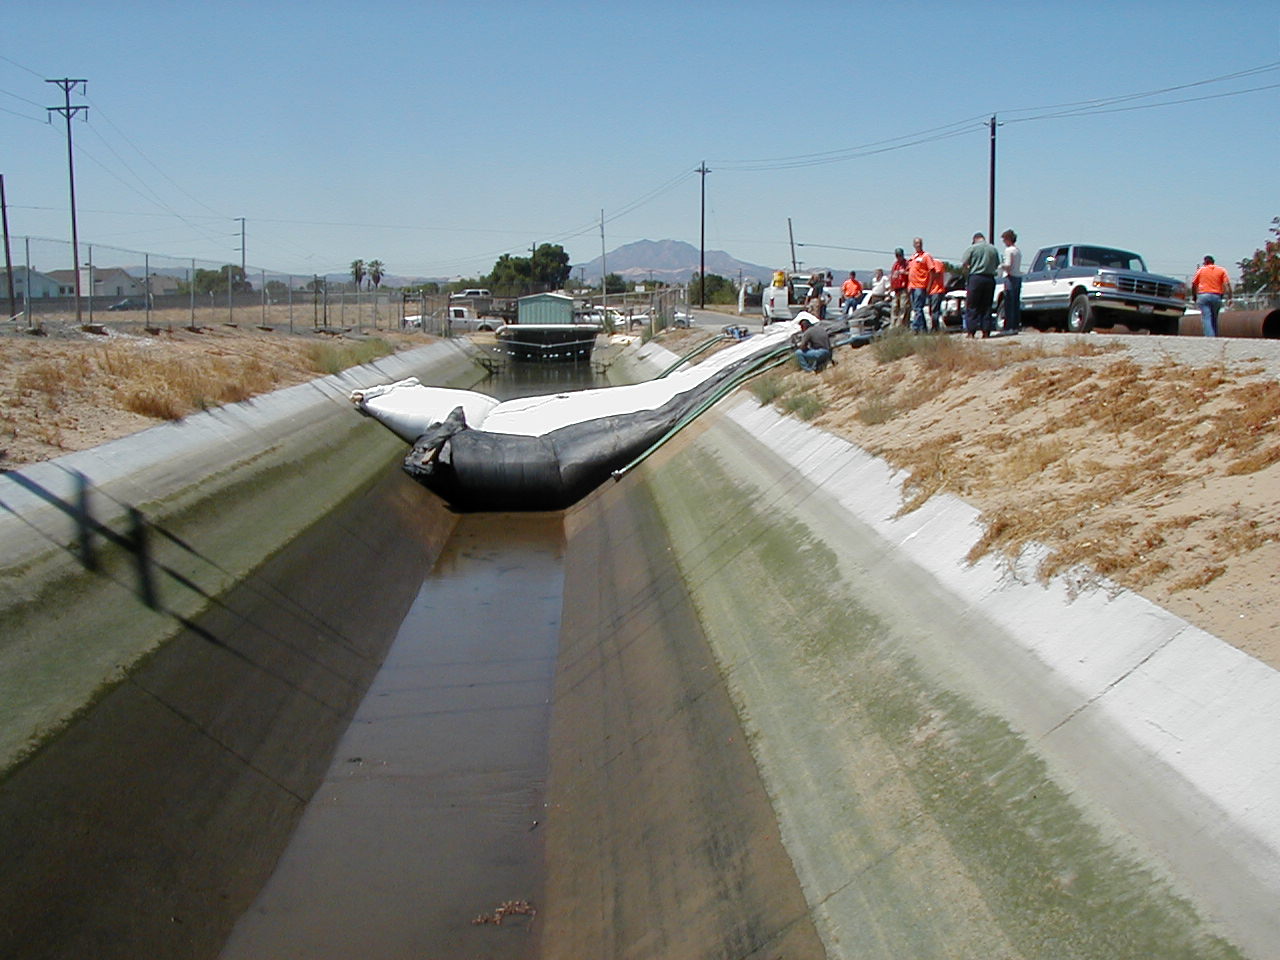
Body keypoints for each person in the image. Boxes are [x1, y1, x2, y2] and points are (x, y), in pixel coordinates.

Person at [959, 232, 1000, 338]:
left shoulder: (972, 248)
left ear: (974, 240)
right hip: (989, 278)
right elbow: (997, 264)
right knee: (987, 306)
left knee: (972, 305)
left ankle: (971, 332)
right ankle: (986, 331)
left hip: (975, 278)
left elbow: (964, 263)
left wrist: (966, 273)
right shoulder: (993, 249)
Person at [1191, 255, 1232, 337]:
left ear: (1205, 262)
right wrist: (1230, 297)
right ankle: (1215, 336)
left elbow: (1194, 284)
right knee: (1214, 318)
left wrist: (1194, 296)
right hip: (1216, 296)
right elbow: (1227, 285)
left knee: (1206, 317)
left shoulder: (1200, 270)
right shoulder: (1221, 270)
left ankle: (1210, 337)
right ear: (1213, 262)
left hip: (1203, 296)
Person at [907, 237, 938, 333]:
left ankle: (915, 328)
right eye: (916, 243)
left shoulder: (926, 256)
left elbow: (932, 271)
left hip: (920, 286)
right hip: (912, 286)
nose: (918, 245)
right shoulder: (913, 257)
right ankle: (923, 329)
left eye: (919, 243)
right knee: (917, 308)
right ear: (913, 245)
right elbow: (910, 272)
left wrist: (929, 286)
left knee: (918, 308)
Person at [999, 229, 1023, 333]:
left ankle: (1008, 327)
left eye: (1004, 240)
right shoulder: (1017, 250)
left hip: (1010, 277)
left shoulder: (1008, 251)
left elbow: (1008, 265)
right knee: (1015, 303)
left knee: (1008, 302)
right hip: (1018, 276)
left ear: (1008, 239)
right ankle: (1015, 326)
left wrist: (1001, 266)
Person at [889, 248, 910, 326]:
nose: (898, 257)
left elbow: (911, 274)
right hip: (896, 289)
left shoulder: (907, 263)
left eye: (900, 255)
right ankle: (893, 324)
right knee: (894, 307)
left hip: (904, 289)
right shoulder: (895, 265)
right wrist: (891, 287)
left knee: (903, 307)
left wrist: (904, 272)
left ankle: (901, 325)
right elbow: (892, 276)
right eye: (897, 255)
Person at [926, 258, 947, 332]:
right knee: (930, 311)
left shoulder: (936, 262)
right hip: (930, 291)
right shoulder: (926, 265)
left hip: (937, 290)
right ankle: (934, 326)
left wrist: (929, 280)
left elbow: (937, 274)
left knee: (935, 310)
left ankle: (935, 328)